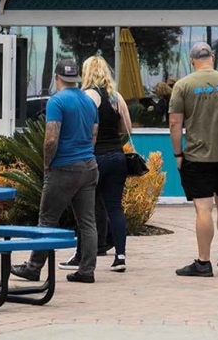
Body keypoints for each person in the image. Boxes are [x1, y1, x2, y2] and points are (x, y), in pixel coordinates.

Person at [12, 59, 99, 284]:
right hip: (89, 165)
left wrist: (47, 164)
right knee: (87, 222)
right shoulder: (90, 102)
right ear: (76, 78)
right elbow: (93, 135)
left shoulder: (57, 101)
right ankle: (87, 270)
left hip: (64, 166)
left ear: (56, 77)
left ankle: (33, 268)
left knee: (47, 219)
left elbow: (51, 138)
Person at [169, 42, 218, 277]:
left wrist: (178, 154)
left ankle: (203, 262)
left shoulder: (183, 86)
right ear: (212, 57)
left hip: (197, 156)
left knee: (203, 208)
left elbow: (175, 123)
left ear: (192, 59)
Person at [77, 55, 134, 273]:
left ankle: (82, 255)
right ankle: (120, 256)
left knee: (86, 208)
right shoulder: (116, 97)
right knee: (114, 207)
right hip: (117, 157)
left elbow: (85, 128)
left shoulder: (87, 96)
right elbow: (127, 128)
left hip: (95, 157)